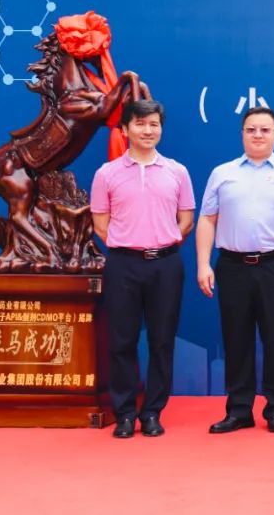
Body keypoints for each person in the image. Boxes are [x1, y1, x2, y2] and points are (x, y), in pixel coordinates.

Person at [195, 107, 274, 434]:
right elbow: (207, 219)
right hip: (232, 266)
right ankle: (238, 410)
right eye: (251, 129)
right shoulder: (223, 173)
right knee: (236, 339)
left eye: (264, 129)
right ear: (242, 134)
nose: (258, 135)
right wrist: (203, 263)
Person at [90, 99, 195, 439]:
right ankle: (124, 413)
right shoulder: (106, 174)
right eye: (140, 123)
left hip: (165, 265)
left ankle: (152, 412)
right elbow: (101, 225)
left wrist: (160, 242)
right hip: (123, 264)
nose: (148, 130)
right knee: (121, 340)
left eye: (154, 124)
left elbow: (186, 220)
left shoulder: (177, 172)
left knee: (162, 341)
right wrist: (130, 243)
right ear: (125, 129)